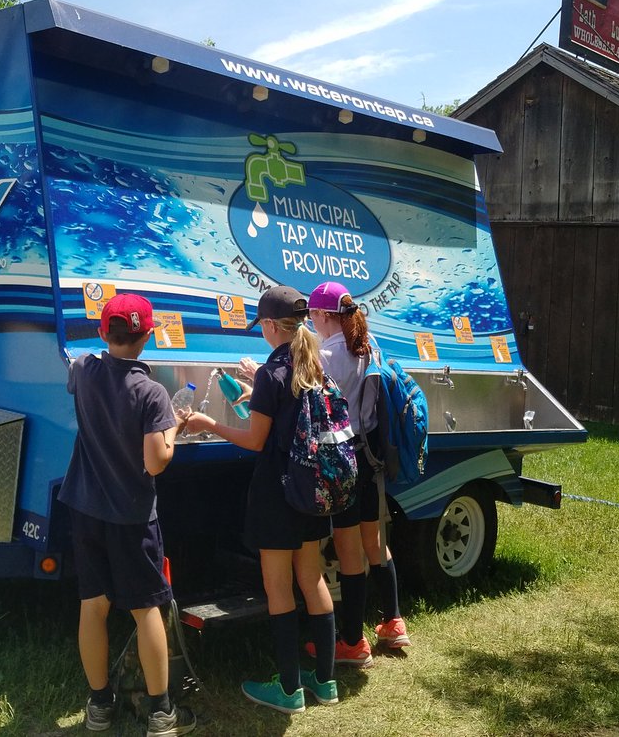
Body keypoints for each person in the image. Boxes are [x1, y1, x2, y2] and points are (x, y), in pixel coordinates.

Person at [182, 286, 339, 714]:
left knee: (278, 587)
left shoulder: (273, 374)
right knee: (313, 579)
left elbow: (255, 441)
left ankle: (288, 689)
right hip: (313, 490)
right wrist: (257, 391)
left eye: (262, 326)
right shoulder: (314, 365)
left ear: (270, 326)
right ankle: (324, 682)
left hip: (278, 493)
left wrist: (208, 422)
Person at [56, 293, 196, 736]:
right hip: (132, 517)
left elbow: (82, 363)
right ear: (148, 335)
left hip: (84, 508)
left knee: (92, 605)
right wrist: (174, 426)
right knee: (145, 608)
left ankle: (99, 706)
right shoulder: (151, 392)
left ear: (103, 332)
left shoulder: (83, 371)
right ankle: (160, 712)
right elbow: (156, 462)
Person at [306, 281, 411, 664]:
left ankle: (351, 642)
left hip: (341, 459)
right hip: (369, 457)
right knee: (375, 543)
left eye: (312, 316)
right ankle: (393, 622)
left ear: (321, 315)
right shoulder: (370, 346)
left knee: (349, 552)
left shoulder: (325, 355)